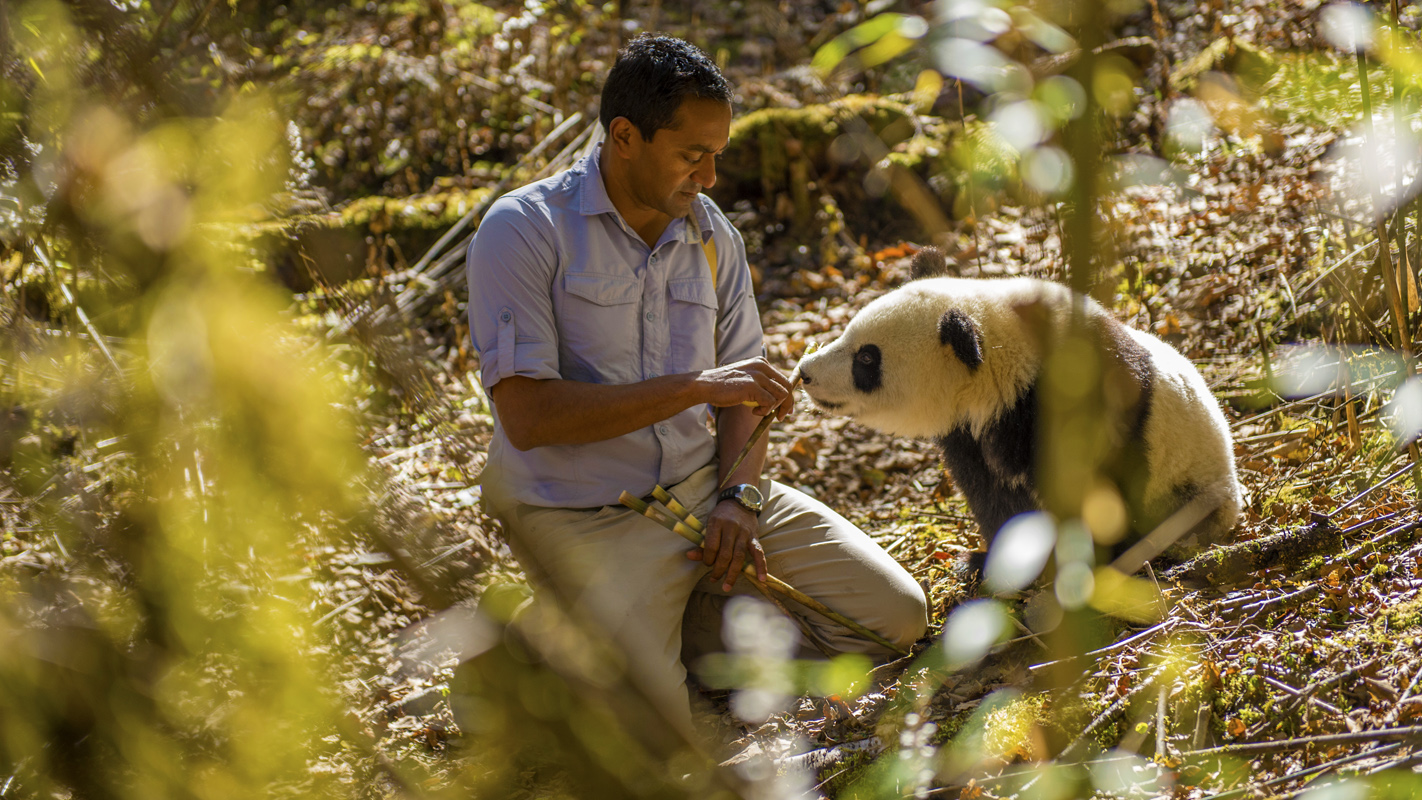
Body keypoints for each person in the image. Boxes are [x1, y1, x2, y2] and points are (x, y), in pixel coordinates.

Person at [466, 33, 927, 733]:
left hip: (703, 493)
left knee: (896, 620)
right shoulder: (525, 231)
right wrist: (693, 388)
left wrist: (739, 501)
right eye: (692, 155)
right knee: (654, 739)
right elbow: (528, 419)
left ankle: (670, 625)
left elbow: (746, 394)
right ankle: (536, 647)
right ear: (626, 137)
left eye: (718, 154)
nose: (710, 177)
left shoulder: (714, 239)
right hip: (583, 517)